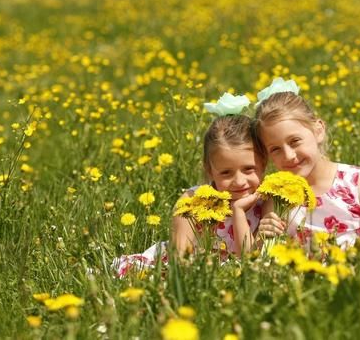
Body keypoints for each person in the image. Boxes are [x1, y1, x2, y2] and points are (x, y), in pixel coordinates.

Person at [113, 93, 267, 278]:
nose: (239, 181)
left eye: (249, 169)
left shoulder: (267, 201)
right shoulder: (193, 201)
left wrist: (239, 211)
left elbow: (252, 261)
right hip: (191, 269)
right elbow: (180, 259)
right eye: (226, 173)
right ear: (209, 171)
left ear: (264, 164)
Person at [254, 78, 360, 248]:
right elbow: (267, 253)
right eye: (275, 149)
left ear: (318, 130)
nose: (288, 155)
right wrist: (263, 237)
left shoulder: (356, 182)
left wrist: (345, 256)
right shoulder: (277, 198)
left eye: (294, 141)